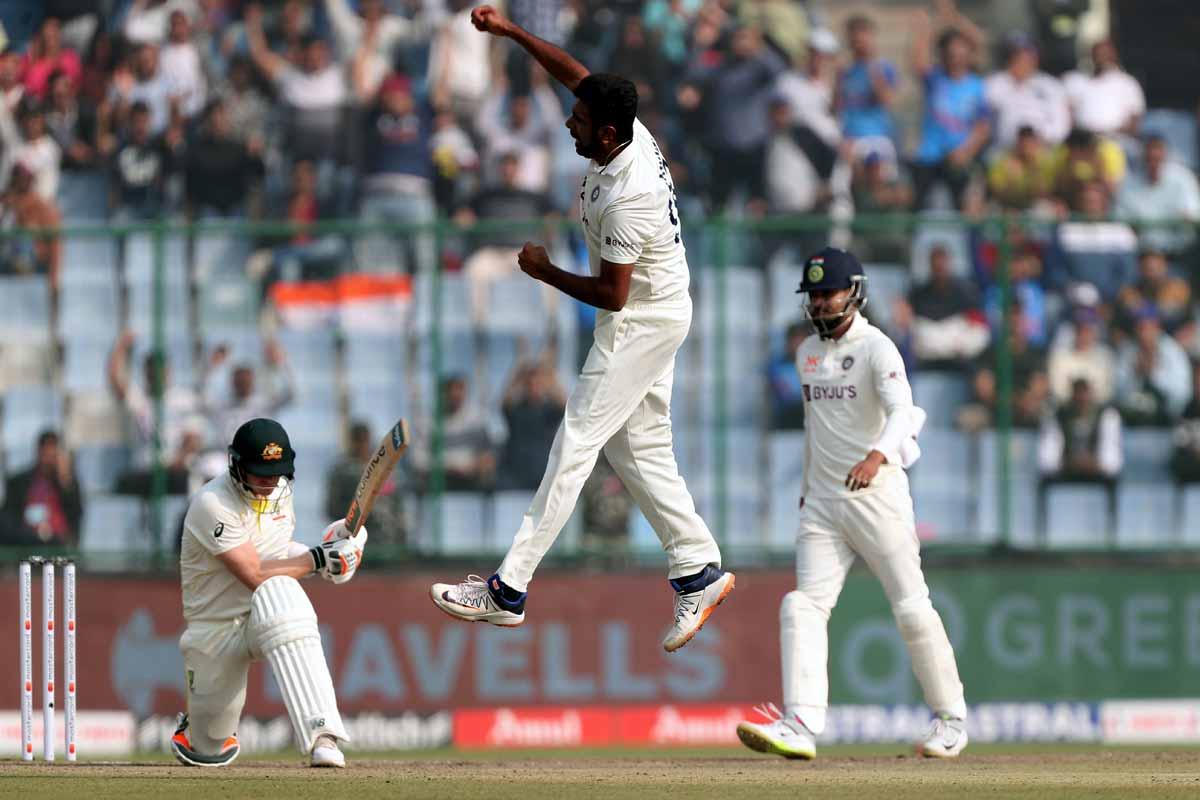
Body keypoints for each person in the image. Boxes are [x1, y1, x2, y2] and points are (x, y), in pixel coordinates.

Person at [430, 5, 733, 653]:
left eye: (579, 121)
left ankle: (508, 589)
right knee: (637, 450)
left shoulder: (631, 194)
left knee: (576, 443)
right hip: (656, 309)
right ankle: (699, 568)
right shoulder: (622, 124)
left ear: (606, 135)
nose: (570, 120)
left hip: (639, 319)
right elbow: (577, 74)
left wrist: (543, 271)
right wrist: (511, 34)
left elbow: (612, 295)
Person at [735, 247, 967, 760]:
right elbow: (817, 428)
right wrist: (808, 485)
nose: (819, 304)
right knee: (802, 604)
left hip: (877, 495)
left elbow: (903, 412)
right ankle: (800, 724)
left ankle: (951, 719)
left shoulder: (877, 348)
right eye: (813, 296)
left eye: (828, 293)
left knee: (910, 606)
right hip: (822, 503)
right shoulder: (805, 355)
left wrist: (876, 457)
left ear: (854, 292)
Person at [171, 417, 366, 768]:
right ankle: (197, 726)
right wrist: (319, 558)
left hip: (263, 613)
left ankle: (323, 736)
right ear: (236, 465)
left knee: (283, 596)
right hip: (215, 630)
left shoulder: (280, 491)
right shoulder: (212, 504)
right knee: (209, 749)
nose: (268, 483)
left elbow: (276, 554)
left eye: (275, 473)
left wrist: (332, 557)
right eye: (260, 473)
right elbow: (254, 571)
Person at [325, 421, 406, 549]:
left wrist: (402, 535)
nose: (362, 446)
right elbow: (332, 508)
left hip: (389, 540)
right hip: (357, 541)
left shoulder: (384, 468)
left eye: (365, 440)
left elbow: (397, 504)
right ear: (352, 442)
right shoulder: (343, 471)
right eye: (358, 441)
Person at [1, 430, 82, 547]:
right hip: (25, 542)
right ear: (38, 451)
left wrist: (65, 479)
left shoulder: (67, 483)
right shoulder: (18, 482)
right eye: (45, 451)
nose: (48, 457)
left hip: (58, 544)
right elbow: (8, 518)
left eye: (53, 452)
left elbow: (75, 514)